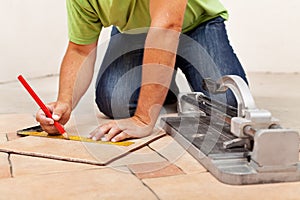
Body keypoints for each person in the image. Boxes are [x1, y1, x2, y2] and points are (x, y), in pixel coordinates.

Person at [36, 0, 247, 142]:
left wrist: (144, 119)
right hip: (136, 31)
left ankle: (161, 71)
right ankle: (164, 81)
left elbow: (167, 27)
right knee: (114, 101)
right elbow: (80, 50)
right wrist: (64, 102)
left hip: (197, 24)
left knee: (228, 104)